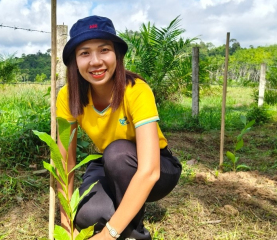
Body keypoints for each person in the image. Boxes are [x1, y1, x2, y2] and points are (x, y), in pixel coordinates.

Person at [56, 15, 182, 240]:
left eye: (104, 50)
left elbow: (149, 171)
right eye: (85, 53)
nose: (95, 61)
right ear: (75, 60)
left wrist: (107, 234)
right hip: (108, 163)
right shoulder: (67, 97)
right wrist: (66, 225)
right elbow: (66, 162)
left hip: (157, 167)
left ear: (117, 55)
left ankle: (133, 234)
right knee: (85, 215)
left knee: (117, 153)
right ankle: (123, 209)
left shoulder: (136, 91)